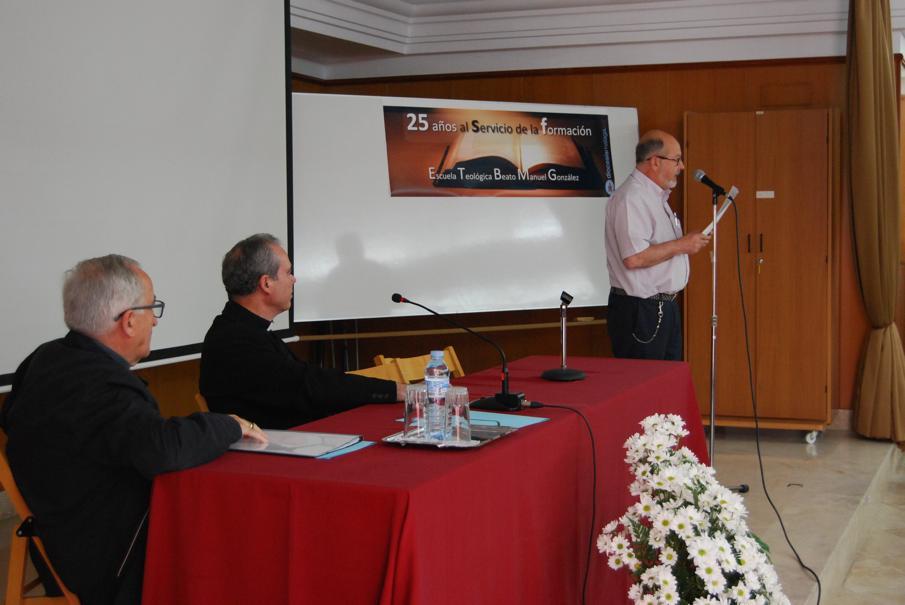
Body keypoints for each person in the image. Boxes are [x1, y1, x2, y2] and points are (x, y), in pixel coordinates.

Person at [0, 254, 266, 605]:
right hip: (110, 561)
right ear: (128, 321)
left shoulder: (44, 359)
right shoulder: (101, 385)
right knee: (241, 535)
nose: (154, 321)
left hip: (57, 536)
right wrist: (229, 424)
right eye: (151, 308)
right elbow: (161, 449)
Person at [199, 234, 405, 429]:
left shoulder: (244, 329)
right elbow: (310, 385)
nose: (294, 280)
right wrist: (393, 391)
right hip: (271, 456)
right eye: (288, 273)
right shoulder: (233, 341)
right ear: (266, 283)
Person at [605, 130, 711, 360]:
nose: (681, 166)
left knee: (666, 389)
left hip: (664, 307)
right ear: (654, 161)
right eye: (676, 159)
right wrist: (682, 245)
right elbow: (634, 258)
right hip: (640, 310)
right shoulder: (632, 198)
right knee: (643, 390)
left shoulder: (656, 197)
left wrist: (682, 244)